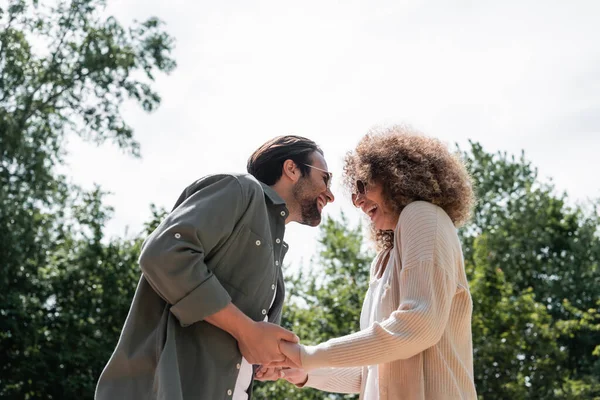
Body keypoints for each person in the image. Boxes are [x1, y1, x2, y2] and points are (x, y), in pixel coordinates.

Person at [95, 135, 335, 400]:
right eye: (325, 177)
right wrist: (248, 331)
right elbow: (164, 253)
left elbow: (236, 341)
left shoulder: (275, 251)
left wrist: (270, 359)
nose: (331, 194)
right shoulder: (241, 189)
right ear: (291, 169)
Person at [258, 126, 477, 399]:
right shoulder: (384, 261)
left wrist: (307, 355)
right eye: (353, 194)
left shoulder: (422, 215)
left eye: (363, 186)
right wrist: (302, 370)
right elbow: (371, 373)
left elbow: (419, 326)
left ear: (399, 178)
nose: (358, 201)